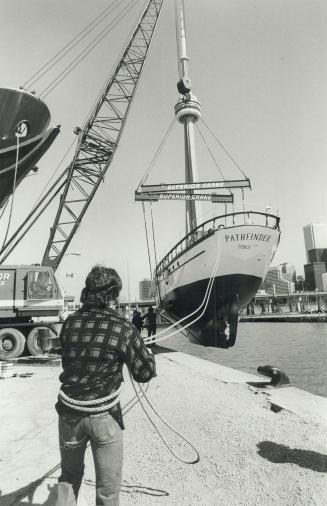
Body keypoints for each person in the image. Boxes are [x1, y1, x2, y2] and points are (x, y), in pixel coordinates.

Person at [55, 265, 156, 506]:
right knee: (108, 490)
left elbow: (69, 360)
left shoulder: (70, 323)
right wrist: (148, 354)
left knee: (68, 477)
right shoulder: (123, 327)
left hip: (69, 415)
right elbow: (144, 373)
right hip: (104, 417)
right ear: (112, 296)